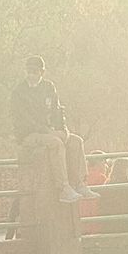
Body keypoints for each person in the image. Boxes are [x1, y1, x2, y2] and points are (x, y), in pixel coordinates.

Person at [11, 55, 97, 205]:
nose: (31, 74)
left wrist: (63, 129)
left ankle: (79, 183)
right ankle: (63, 188)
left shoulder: (48, 87)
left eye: (35, 71)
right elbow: (24, 119)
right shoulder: (19, 92)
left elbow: (57, 110)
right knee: (55, 143)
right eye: (29, 71)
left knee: (76, 141)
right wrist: (48, 131)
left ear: (42, 72)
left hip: (47, 131)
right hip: (28, 134)